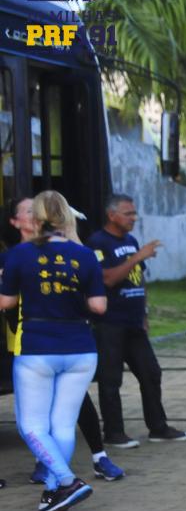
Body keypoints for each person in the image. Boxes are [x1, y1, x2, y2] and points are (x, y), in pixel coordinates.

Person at [4, 198, 126, 484]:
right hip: (28, 341)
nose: (33, 215)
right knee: (47, 415)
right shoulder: (14, 256)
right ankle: (53, 474)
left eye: (36, 210)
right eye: (27, 211)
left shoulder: (72, 253)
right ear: (16, 221)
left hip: (64, 343)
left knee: (65, 411)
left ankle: (85, 464)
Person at [87, 194, 186, 448]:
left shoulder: (131, 241)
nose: (133, 218)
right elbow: (107, 279)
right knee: (111, 380)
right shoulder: (97, 242)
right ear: (112, 215)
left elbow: (139, 279)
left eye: (134, 213)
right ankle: (114, 433)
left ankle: (158, 427)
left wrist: (143, 313)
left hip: (134, 323)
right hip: (109, 323)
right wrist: (137, 257)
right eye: (128, 214)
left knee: (151, 373)